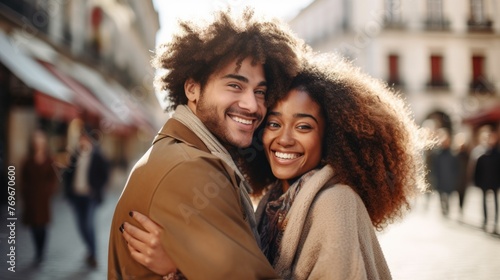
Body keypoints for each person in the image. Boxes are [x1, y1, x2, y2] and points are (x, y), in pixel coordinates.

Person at [121, 53, 431, 279]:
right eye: (273, 123)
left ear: (330, 138)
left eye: (304, 127)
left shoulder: (336, 204)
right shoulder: (272, 201)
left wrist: (176, 267)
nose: (284, 139)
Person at [107, 8, 303, 279]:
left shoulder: (184, 152)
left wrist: (178, 269)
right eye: (235, 85)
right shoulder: (191, 169)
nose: (252, 105)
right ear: (192, 89)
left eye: (260, 91)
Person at [63, 126, 110, 268]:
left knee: (89, 225)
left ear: (89, 139)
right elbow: (68, 174)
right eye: (80, 138)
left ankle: (94, 254)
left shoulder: (97, 155)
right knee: (81, 226)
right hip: (76, 196)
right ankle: (90, 251)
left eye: (84, 138)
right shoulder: (75, 154)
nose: (82, 140)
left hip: (90, 197)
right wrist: (68, 191)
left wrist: (95, 189)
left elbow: (105, 175)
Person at [21, 129, 58, 264]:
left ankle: (41, 251)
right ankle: (37, 250)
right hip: (31, 198)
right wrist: (25, 193)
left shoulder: (49, 160)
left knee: (42, 226)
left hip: (43, 199)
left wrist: (48, 191)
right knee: (33, 226)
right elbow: (23, 179)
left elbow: (53, 178)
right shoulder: (28, 160)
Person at [473, 128, 500, 233]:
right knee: (484, 201)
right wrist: (476, 182)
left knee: (495, 202)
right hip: (484, 182)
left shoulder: (498, 154)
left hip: (495, 182)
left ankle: (495, 222)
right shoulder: (481, 155)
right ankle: (485, 220)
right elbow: (477, 170)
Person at [430, 128, 459, 217]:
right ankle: (443, 209)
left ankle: (447, 208)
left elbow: (456, 167)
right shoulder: (437, 153)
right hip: (440, 177)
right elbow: (434, 166)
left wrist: (455, 177)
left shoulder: (453, 153)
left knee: (448, 194)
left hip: (449, 178)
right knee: (441, 195)